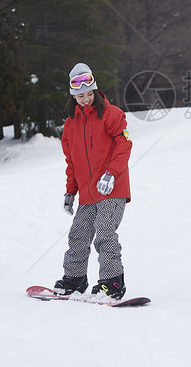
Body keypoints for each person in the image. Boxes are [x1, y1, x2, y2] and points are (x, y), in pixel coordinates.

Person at [54, 63, 133, 299]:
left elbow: (124, 144)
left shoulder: (111, 114)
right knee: (78, 233)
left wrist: (111, 173)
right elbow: (72, 163)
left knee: (105, 231)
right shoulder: (70, 126)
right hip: (88, 194)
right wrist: (70, 192)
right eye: (80, 96)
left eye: (90, 94)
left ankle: (112, 283)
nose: (86, 99)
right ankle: (75, 279)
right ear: (73, 96)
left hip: (112, 189)